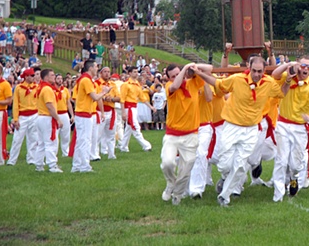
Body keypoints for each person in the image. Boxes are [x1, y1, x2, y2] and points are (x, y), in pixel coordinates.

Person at [194, 56, 283, 207]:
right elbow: (218, 83)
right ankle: (224, 177)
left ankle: (225, 196)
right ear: (249, 68)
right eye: (254, 71)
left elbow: (282, 93)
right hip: (231, 126)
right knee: (225, 165)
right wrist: (200, 74)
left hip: (251, 129)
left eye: (260, 71)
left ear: (264, 70)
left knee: (241, 165)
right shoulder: (237, 79)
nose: (256, 74)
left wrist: (288, 79)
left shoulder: (269, 83)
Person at [270, 57, 309, 202]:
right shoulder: (287, 77)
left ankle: (293, 177)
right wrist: (288, 65)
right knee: (281, 160)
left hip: (300, 128)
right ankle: (278, 194)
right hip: (283, 124)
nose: (306, 68)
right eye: (303, 65)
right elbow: (274, 74)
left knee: (295, 164)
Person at [161, 62, 211, 205]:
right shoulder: (169, 88)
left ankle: (177, 194)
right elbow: (175, 85)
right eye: (173, 76)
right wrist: (183, 70)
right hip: (172, 134)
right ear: (169, 78)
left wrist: (193, 66)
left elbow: (209, 69)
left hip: (191, 134)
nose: (178, 77)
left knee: (187, 166)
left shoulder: (194, 83)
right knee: (167, 163)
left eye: (178, 74)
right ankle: (171, 183)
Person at [71, 60, 110, 173]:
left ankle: (77, 165)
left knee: (81, 140)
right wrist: (104, 92)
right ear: (90, 68)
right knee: (85, 140)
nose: (97, 69)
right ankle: (84, 165)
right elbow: (94, 97)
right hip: (84, 113)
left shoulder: (85, 79)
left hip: (83, 112)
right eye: (96, 66)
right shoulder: (86, 80)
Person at [7, 68, 39, 166]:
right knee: (17, 139)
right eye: (32, 75)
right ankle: (12, 160)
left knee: (33, 138)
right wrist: (15, 119)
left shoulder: (36, 87)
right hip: (23, 116)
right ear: (26, 77)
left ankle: (31, 159)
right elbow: (15, 104)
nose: (34, 77)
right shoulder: (19, 88)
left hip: (34, 114)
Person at [34, 69, 63, 173]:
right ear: (46, 77)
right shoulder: (47, 89)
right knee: (50, 142)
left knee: (41, 143)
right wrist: (58, 118)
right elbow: (49, 105)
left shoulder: (41, 87)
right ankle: (52, 165)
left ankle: (39, 164)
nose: (54, 76)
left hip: (41, 116)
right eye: (52, 75)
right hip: (47, 117)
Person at [119, 67, 154, 152]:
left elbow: (142, 98)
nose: (136, 73)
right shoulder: (126, 84)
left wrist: (151, 107)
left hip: (134, 107)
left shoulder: (138, 85)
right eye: (134, 72)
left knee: (129, 128)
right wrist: (123, 112)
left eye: (136, 72)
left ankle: (123, 146)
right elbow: (122, 99)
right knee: (135, 126)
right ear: (129, 73)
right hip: (129, 108)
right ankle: (146, 145)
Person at [96, 67, 121, 160]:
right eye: (105, 72)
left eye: (108, 72)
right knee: (98, 134)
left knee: (111, 133)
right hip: (100, 110)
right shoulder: (97, 84)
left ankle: (111, 153)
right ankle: (95, 153)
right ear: (101, 73)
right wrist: (104, 97)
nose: (107, 74)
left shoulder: (112, 84)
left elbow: (119, 97)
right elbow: (96, 96)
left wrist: (112, 99)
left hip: (111, 110)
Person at [55, 73, 74, 158]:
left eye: (60, 78)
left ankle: (65, 151)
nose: (60, 80)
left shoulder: (65, 90)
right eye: (58, 78)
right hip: (56, 113)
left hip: (64, 113)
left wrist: (72, 115)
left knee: (66, 134)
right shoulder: (52, 90)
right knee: (55, 134)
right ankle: (54, 151)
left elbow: (68, 103)